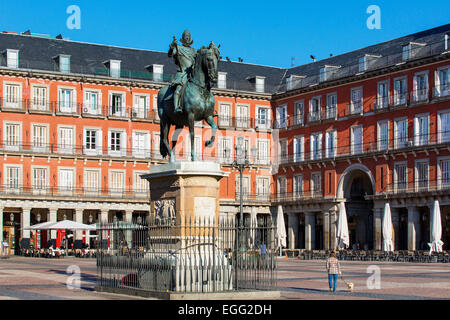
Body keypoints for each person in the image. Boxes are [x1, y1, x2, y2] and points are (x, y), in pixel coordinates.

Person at [168, 29, 197, 114]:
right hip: (182, 73)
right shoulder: (179, 48)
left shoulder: (194, 51)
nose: (187, 38)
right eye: (186, 37)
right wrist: (172, 47)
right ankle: (176, 107)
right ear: (183, 38)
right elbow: (170, 55)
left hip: (192, 73)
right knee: (178, 89)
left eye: (188, 37)